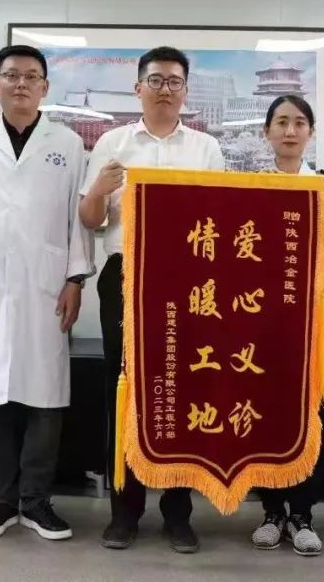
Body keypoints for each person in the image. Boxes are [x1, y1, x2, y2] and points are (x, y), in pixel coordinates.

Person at [0, 44, 94, 541]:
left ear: (45, 87)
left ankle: (37, 501)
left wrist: (75, 280)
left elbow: (78, 220)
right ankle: (1, 502)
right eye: (11, 75)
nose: (21, 83)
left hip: (47, 285)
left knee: (45, 396)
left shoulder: (67, 143)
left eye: (32, 76)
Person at [79, 46, 225, 554]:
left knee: (183, 392)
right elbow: (90, 219)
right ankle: (124, 511)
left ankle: (178, 513)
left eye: (174, 81)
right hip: (125, 276)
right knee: (123, 390)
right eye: (156, 80)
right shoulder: (113, 143)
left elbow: (222, 221)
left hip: (189, 282)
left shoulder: (206, 148)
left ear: (185, 90)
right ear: (138, 87)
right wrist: (99, 189)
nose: (165, 89)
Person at [249, 95, 324, 555]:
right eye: (281, 122)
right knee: (265, 416)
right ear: (267, 131)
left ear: (311, 132)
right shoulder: (252, 185)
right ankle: (272, 513)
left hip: (313, 324)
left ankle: (303, 515)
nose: (290, 131)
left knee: (310, 419)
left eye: (299, 123)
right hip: (262, 322)